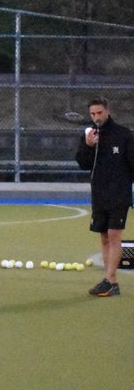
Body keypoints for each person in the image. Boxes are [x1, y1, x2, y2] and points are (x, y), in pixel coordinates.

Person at [75, 97, 134, 297]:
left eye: (99, 113)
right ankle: (109, 282)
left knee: (114, 235)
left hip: (119, 193)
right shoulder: (89, 135)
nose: (96, 118)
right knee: (104, 237)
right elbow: (83, 163)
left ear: (107, 110)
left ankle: (110, 279)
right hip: (99, 193)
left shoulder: (124, 135)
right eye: (92, 114)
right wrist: (88, 145)